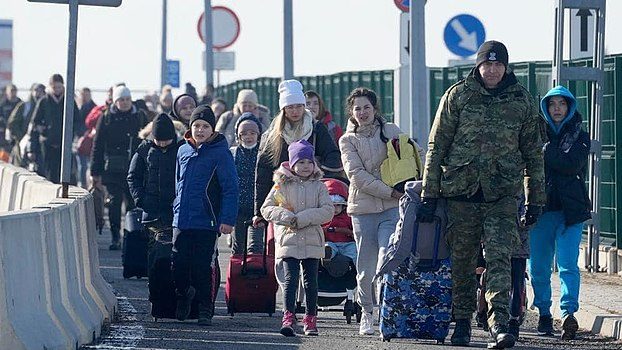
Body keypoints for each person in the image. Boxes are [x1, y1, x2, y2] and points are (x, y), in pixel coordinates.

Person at [418, 40, 545, 349]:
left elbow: (533, 154)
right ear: (477, 66)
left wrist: (535, 199)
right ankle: (461, 323)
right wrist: (428, 193)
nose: (492, 70)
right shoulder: (458, 96)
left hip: (502, 195)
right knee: (462, 263)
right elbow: (437, 146)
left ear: (506, 67)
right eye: (487, 65)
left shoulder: (522, 101)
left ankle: (500, 324)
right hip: (462, 193)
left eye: (498, 64)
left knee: (500, 258)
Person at [338, 87, 404, 336]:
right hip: (363, 209)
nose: (362, 112)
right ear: (351, 113)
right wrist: (390, 191)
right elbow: (357, 176)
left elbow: (413, 156)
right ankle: (367, 311)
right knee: (365, 266)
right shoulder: (347, 140)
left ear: (375, 109)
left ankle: (388, 312)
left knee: (387, 258)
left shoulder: (391, 130)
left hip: (391, 208)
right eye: (357, 109)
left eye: (367, 107)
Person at [529, 85, 591, 341]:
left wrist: (545, 151)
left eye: (562, 104)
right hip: (540, 210)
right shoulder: (533, 134)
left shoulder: (580, 135)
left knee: (567, 265)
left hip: (570, 211)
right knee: (539, 268)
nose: (557, 109)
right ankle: (544, 312)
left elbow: (570, 164)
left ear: (569, 107)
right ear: (545, 107)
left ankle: (568, 314)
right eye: (552, 104)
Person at [172, 105, 238, 325]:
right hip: (182, 219)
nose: (200, 130)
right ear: (190, 127)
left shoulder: (221, 153)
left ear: (212, 129)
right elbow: (178, 183)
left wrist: (227, 219)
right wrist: (175, 209)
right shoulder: (183, 150)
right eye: (196, 125)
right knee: (178, 264)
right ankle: (183, 294)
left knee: (203, 267)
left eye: (205, 126)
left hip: (207, 221)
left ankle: (204, 309)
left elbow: (230, 188)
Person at [261, 140, 333, 337]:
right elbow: (267, 208)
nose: (305, 167)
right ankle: (288, 316)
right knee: (290, 280)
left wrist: (303, 218)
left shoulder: (319, 186)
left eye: (309, 162)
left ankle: (310, 318)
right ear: (292, 164)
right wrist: (286, 217)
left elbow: (328, 210)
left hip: (311, 239)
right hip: (288, 239)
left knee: (311, 281)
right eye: (301, 162)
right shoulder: (281, 185)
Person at [253, 80, 342, 229]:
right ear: (283, 109)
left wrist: (313, 166)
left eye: (299, 106)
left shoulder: (316, 129)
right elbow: (262, 173)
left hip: (312, 198)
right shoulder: (273, 135)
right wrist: (259, 212)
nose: (295, 111)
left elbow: (333, 157)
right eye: (290, 107)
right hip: (283, 200)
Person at [91, 85, 148, 250]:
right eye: (121, 100)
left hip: (135, 168)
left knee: (133, 204)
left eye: (127, 99)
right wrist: (95, 172)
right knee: (114, 203)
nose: (124, 103)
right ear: (115, 101)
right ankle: (116, 236)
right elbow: (98, 145)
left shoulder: (139, 116)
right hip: (112, 170)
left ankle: (131, 235)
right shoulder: (107, 117)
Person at [127, 113, 181, 241]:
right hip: (151, 211)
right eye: (159, 141)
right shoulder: (144, 150)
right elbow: (133, 177)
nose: (162, 144)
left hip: (175, 210)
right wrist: (140, 199)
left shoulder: (181, 149)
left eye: (166, 141)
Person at [30, 74, 80, 183]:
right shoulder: (44, 101)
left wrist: (72, 134)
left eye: (59, 87)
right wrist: (44, 131)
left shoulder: (69, 101)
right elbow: (35, 121)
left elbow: (77, 120)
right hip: (48, 143)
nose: (57, 90)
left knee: (65, 173)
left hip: (65, 144)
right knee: (50, 173)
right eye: (54, 87)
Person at [230, 112, 264, 255]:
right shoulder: (233, 153)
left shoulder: (263, 154)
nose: (248, 137)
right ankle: (237, 275)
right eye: (244, 134)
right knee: (238, 246)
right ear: (238, 136)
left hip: (258, 208)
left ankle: (256, 275)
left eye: (252, 133)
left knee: (255, 246)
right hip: (238, 208)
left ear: (258, 135)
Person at [7, 83, 45, 167]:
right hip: (22, 146)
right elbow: (12, 123)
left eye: (40, 91)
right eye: (35, 90)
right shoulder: (24, 106)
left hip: (41, 146)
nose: (38, 93)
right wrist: (21, 137)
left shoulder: (46, 107)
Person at [321, 179, 356, 263]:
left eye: (338, 206)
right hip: (330, 242)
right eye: (332, 206)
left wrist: (351, 233)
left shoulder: (348, 217)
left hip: (346, 243)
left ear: (343, 206)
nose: (335, 209)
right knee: (327, 246)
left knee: (354, 249)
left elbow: (354, 230)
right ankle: (327, 256)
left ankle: (352, 264)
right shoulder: (322, 217)